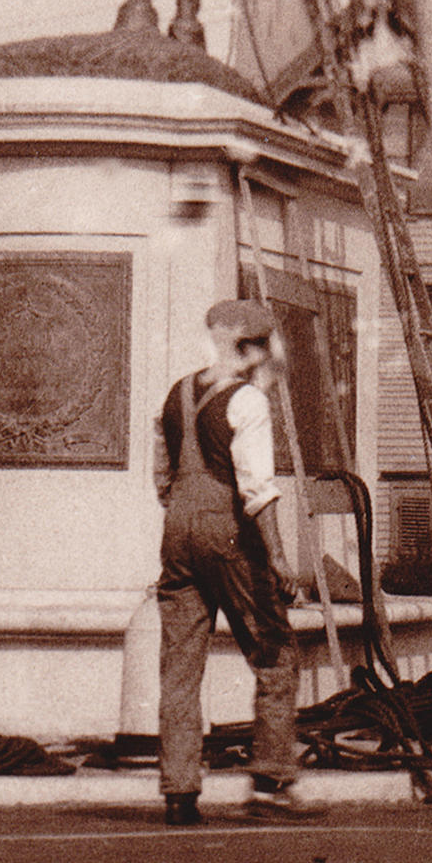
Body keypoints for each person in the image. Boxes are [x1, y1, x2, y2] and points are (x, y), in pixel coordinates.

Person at [155, 299, 316, 825]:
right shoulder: (247, 401)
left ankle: (179, 793)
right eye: (263, 346)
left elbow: (162, 475)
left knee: (180, 670)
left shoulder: (177, 393)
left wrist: (186, 515)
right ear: (249, 348)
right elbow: (257, 489)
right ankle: (270, 783)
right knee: (274, 654)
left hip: (176, 534)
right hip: (229, 535)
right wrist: (278, 558)